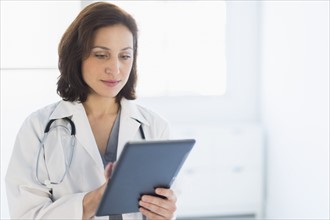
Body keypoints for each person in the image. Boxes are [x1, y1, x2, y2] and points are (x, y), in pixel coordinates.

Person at [5, 2, 177, 219]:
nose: (115, 68)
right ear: (76, 56)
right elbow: (25, 215)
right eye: (101, 55)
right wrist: (94, 200)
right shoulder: (39, 128)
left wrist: (162, 214)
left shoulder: (154, 127)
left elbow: (164, 204)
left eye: (124, 56)